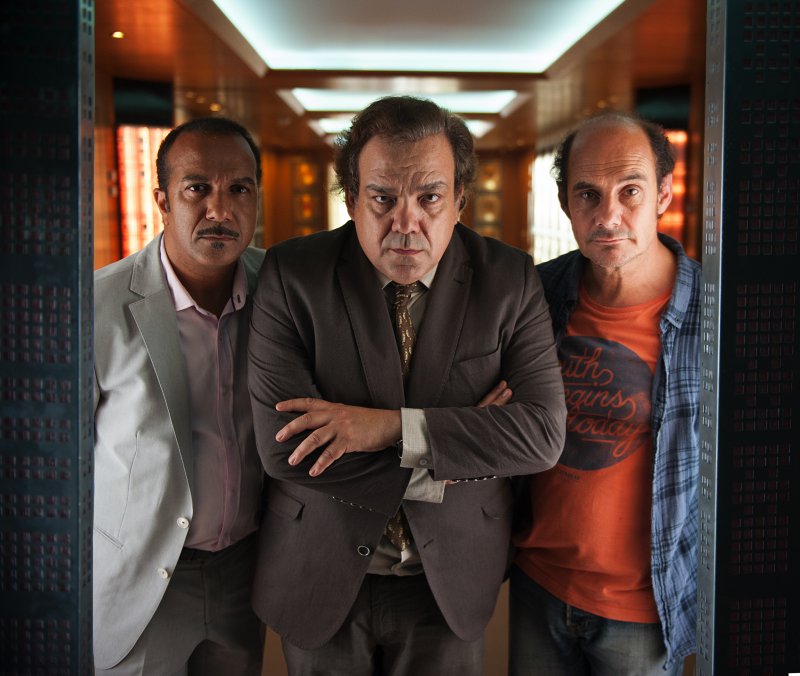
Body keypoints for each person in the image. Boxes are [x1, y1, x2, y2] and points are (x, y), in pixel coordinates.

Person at [247, 95, 567, 675]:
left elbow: (541, 436)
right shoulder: (292, 275)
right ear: (351, 198)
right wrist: (464, 445)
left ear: (459, 199)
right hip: (318, 568)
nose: (406, 223)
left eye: (429, 198)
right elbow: (285, 449)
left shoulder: (510, 279)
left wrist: (384, 429)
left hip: (449, 581)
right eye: (382, 198)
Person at [510, 111, 701, 675]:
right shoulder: (535, 295)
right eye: (588, 194)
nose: (608, 215)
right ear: (566, 203)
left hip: (644, 607)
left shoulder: (713, 312)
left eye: (630, 191)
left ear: (663, 193)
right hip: (538, 582)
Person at [93, 117, 265, 674]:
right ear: (163, 200)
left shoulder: (282, 291)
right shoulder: (97, 307)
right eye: (198, 189)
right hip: (140, 582)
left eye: (239, 188)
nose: (220, 210)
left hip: (246, 574)